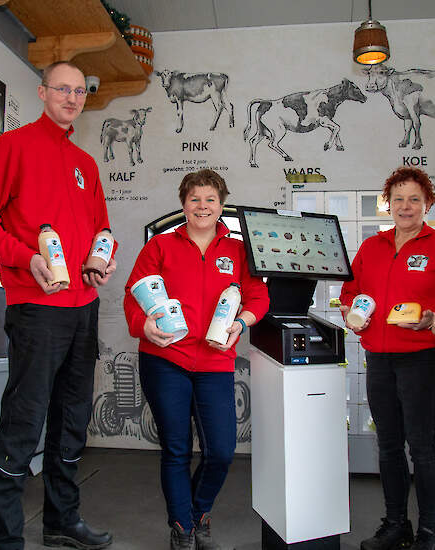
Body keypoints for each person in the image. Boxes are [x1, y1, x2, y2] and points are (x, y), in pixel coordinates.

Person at [0, 61, 115, 550]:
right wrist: (26, 258)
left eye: (79, 91)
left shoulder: (86, 165)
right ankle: (6, 539)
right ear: (43, 91)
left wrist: (98, 260)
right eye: (62, 89)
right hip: (37, 305)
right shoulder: (14, 146)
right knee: (25, 421)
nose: (72, 97)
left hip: (83, 306)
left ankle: (61, 520)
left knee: (73, 419)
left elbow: (100, 231)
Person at [123, 169, 270, 550]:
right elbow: (133, 293)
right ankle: (183, 529)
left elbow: (258, 297)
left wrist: (241, 323)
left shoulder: (238, 250)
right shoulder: (160, 247)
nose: (202, 206)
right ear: (183, 204)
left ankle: (198, 512)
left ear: (221, 204)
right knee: (176, 448)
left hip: (215, 361)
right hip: (164, 358)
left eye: (210, 199)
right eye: (194, 199)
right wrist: (144, 325)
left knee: (221, 451)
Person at [340, 167, 435, 550]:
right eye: (398, 199)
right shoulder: (371, 247)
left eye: (414, 198)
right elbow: (351, 291)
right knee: (389, 446)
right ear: (388, 205)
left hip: (422, 358)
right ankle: (396, 524)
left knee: (422, 446)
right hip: (379, 358)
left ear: (427, 203)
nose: (406, 206)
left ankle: (429, 532)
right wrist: (350, 312)